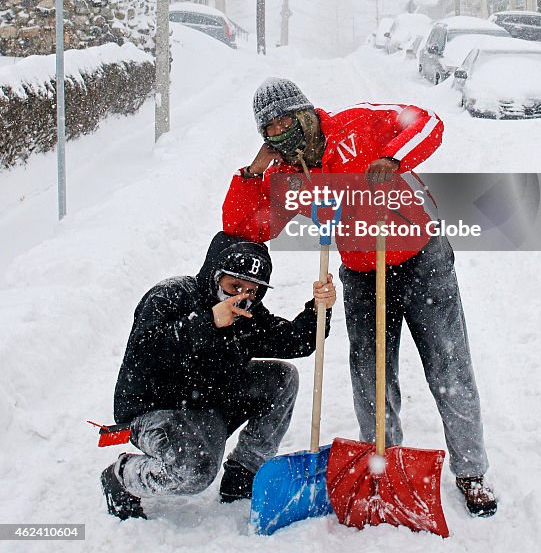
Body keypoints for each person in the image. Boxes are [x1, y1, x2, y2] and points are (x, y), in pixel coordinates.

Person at [220, 78, 497, 517]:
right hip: (363, 274)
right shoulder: (286, 175)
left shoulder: (356, 124)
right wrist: (254, 172)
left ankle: (472, 471)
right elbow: (245, 227)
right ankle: (385, 463)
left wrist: (393, 158)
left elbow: (427, 123)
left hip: (421, 256)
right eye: (269, 128)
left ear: (305, 112)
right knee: (370, 377)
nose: (280, 131)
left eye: (286, 119)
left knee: (449, 366)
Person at [101, 230, 336, 520]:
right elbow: (144, 352)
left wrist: (319, 307)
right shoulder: (171, 295)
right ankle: (123, 476)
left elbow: (294, 341)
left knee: (282, 377)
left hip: (207, 404)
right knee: (194, 474)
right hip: (154, 411)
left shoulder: (247, 314)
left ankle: (242, 474)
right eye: (233, 285)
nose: (240, 296)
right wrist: (208, 322)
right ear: (215, 276)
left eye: (250, 290)